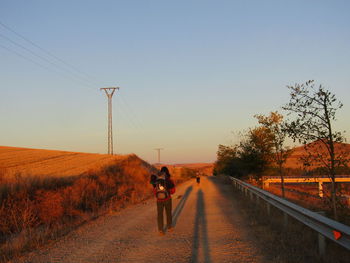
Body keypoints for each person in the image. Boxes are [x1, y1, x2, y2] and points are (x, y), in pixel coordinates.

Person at [151, 166, 175, 235]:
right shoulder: (169, 180)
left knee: (160, 214)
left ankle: (160, 230)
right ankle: (169, 227)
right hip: (167, 199)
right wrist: (168, 191)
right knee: (168, 213)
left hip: (159, 200)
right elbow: (173, 191)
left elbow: (154, 191)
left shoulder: (157, 180)